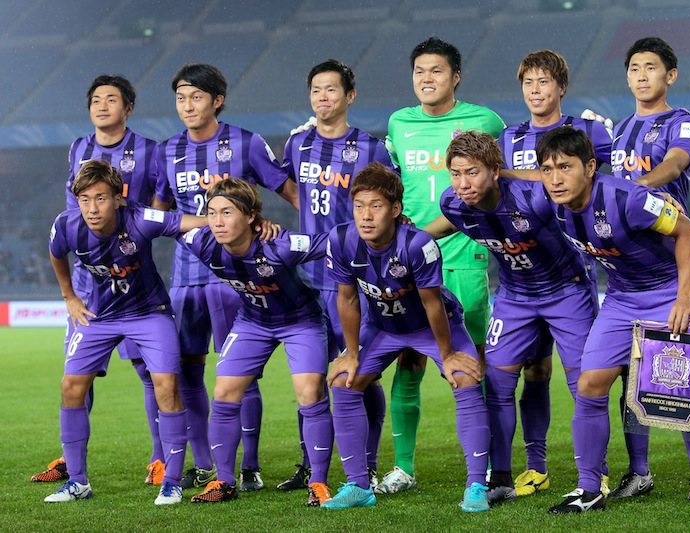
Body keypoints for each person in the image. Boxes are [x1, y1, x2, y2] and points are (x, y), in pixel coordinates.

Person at [537, 127, 690, 520]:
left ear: (589, 167)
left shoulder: (628, 198)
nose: (555, 177)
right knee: (590, 382)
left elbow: (685, 230)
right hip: (622, 297)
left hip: (672, 287)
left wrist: (684, 297)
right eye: (547, 168)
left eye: (565, 167)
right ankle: (588, 489)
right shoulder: (553, 203)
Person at [425, 131, 597, 504]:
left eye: (472, 172)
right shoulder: (453, 204)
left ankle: (591, 481)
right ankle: (500, 478)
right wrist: (412, 239)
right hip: (515, 297)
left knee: (584, 385)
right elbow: (447, 223)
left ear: (495, 171)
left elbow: (575, 194)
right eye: (455, 174)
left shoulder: (535, 197)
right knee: (498, 386)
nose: (462, 184)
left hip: (566, 291)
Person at [155, 63, 299, 493]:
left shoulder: (246, 142)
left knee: (240, 374)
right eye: (181, 98)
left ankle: (249, 466)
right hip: (185, 277)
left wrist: (280, 234)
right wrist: (203, 219)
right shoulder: (167, 151)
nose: (187, 106)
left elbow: (291, 193)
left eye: (196, 97)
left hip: (236, 279)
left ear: (217, 101)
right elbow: (160, 214)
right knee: (187, 373)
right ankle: (208, 464)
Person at [321, 162, 490, 512]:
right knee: (342, 380)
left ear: (396, 210)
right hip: (384, 327)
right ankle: (358, 486)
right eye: (359, 206)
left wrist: (448, 355)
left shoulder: (418, 244)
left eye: (376, 206)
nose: (366, 216)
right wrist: (351, 353)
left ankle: (477, 484)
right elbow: (348, 298)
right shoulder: (340, 239)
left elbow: (433, 305)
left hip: (432, 326)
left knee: (464, 377)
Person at [377, 37, 505, 494]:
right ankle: (404, 468)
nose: (426, 79)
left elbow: (501, 178)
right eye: (419, 71)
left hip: (464, 260)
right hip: (409, 265)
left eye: (436, 71)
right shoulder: (399, 123)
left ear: (455, 77)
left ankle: (489, 467)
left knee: (472, 366)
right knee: (407, 362)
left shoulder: (484, 120)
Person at [32, 74, 171, 486]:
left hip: (132, 275)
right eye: (96, 99)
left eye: (112, 99)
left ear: (128, 107)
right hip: (89, 280)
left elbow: (162, 199)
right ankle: (69, 456)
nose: (102, 105)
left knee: (150, 371)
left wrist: (141, 236)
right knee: (78, 372)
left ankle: (159, 457)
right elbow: (72, 207)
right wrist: (70, 293)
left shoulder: (148, 149)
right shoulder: (79, 147)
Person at [46, 159, 206, 505]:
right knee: (71, 386)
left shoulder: (140, 219)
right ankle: (77, 482)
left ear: (119, 198)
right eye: (85, 199)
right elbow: (57, 253)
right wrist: (69, 296)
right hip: (99, 315)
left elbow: (188, 222)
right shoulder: (67, 225)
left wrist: (230, 219)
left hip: (148, 313)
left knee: (166, 383)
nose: (92, 208)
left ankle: (173, 482)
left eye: (101, 198)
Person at [497, 50, 613, 496]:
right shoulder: (509, 136)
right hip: (520, 280)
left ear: (561, 87)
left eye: (544, 82)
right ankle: (535, 466)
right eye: (528, 82)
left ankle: (595, 472)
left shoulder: (586, 132)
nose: (535, 90)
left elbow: (614, 177)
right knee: (531, 374)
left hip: (569, 277)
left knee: (584, 380)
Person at [179, 178, 334, 506]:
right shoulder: (201, 241)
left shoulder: (280, 245)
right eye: (211, 213)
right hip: (253, 322)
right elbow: (166, 223)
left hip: (301, 321)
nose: (218, 222)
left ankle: (318, 482)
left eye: (227, 213)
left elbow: (332, 241)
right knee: (223, 393)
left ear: (251, 217)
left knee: (309, 392)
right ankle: (223, 481)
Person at [277, 59, 394, 491]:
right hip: (307, 279)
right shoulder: (297, 144)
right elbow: (292, 190)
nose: (322, 98)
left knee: (358, 372)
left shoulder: (371, 148)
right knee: (311, 373)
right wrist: (309, 225)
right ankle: (310, 463)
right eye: (315, 91)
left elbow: (386, 208)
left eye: (331, 90)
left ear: (350, 96)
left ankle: (367, 464)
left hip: (353, 280)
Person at [608, 37, 690, 499]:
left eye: (650, 67)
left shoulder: (682, 122)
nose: (641, 74)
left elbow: (676, 161)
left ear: (671, 75)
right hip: (627, 273)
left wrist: (636, 188)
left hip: (672, 264)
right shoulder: (619, 130)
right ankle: (639, 472)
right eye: (633, 68)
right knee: (629, 374)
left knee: (689, 375)